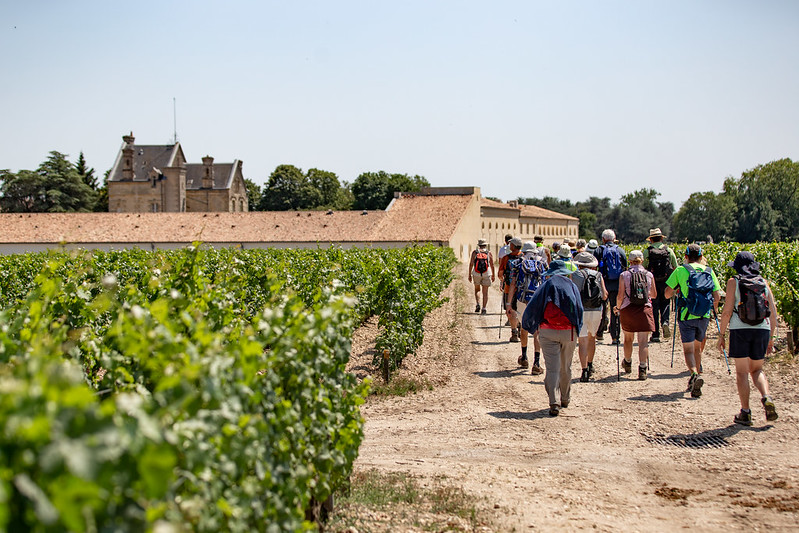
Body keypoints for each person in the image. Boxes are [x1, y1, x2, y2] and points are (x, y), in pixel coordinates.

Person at [716, 251, 779, 426]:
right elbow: (773, 314)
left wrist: (721, 335)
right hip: (762, 329)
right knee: (757, 370)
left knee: (742, 372)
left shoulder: (733, 282)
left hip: (740, 329)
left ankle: (746, 412)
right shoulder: (763, 282)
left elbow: (727, 310)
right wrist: (771, 337)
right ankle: (766, 397)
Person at [521, 259, 583, 416]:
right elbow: (579, 309)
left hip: (547, 331)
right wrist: (577, 329)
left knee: (552, 368)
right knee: (566, 366)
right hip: (569, 332)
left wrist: (532, 325)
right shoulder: (572, 286)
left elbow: (533, 306)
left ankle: (553, 401)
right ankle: (565, 398)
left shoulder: (546, 285)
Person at [664, 244, 722, 398]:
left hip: (686, 315)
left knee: (688, 350)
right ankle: (697, 372)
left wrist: (677, 291)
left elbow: (667, 294)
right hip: (704, 316)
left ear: (686, 256)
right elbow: (717, 297)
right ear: (701, 257)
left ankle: (694, 374)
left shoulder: (681, 270)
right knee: (697, 348)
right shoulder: (709, 271)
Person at [614, 250, 657, 380]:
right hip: (644, 309)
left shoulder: (624, 275)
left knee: (628, 339)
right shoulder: (649, 275)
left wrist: (617, 307)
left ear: (630, 261)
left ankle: (627, 362)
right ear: (642, 260)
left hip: (628, 309)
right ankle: (642, 369)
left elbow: (620, 296)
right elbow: (654, 295)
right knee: (643, 341)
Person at [507, 241, 547, 374]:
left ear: (523, 251)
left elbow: (513, 283)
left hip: (522, 299)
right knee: (537, 331)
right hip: (537, 300)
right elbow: (546, 281)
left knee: (523, 327)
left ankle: (524, 357)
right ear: (536, 251)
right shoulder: (542, 263)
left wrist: (508, 304)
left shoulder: (518, 263)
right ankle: (536, 363)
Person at [572, 252, 607, 382]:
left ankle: (584, 370)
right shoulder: (598, 275)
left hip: (581, 310)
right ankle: (591, 364)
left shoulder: (575, 275)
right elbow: (604, 295)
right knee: (592, 338)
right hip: (596, 310)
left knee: (582, 341)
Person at [643, 228, 678, 344]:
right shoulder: (669, 250)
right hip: (666, 282)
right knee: (666, 303)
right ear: (662, 238)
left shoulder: (647, 252)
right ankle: (665, 322)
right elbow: (675, 267)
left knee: (654, 307)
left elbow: (643, 268)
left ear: (651, 240)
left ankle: (655, 333)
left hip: (652, 282)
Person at [593, 229, 627, 345]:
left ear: (603, 239)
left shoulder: (598, 250)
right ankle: (615, 337)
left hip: (603, 284)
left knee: (601, 308)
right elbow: (625, 267)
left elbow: (594, 267)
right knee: (615, 309)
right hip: (617, 285)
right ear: (614, 239)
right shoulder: (620, 251)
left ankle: (600, 332)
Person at [499, 237, 523, 342]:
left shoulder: (506, 258)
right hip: (522, 289)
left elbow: (500, 274)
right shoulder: (524, 257)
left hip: (509, 289)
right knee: (521, 309)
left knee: (510, 310)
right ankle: (521, 327)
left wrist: (503, 281)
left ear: (513, 246)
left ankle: (514, 333)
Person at [467, 238, 495, 314]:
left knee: (477, 289)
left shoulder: (475, 252)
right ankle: (484, 308)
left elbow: (471, 264)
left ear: (478, 245)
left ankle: (478, 304)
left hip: (476, 273)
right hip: (486, 273)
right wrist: (493, 275)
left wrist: (469, 274)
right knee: (485, 292)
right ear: (485, 245)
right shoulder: (488, 253)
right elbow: (492, 264)